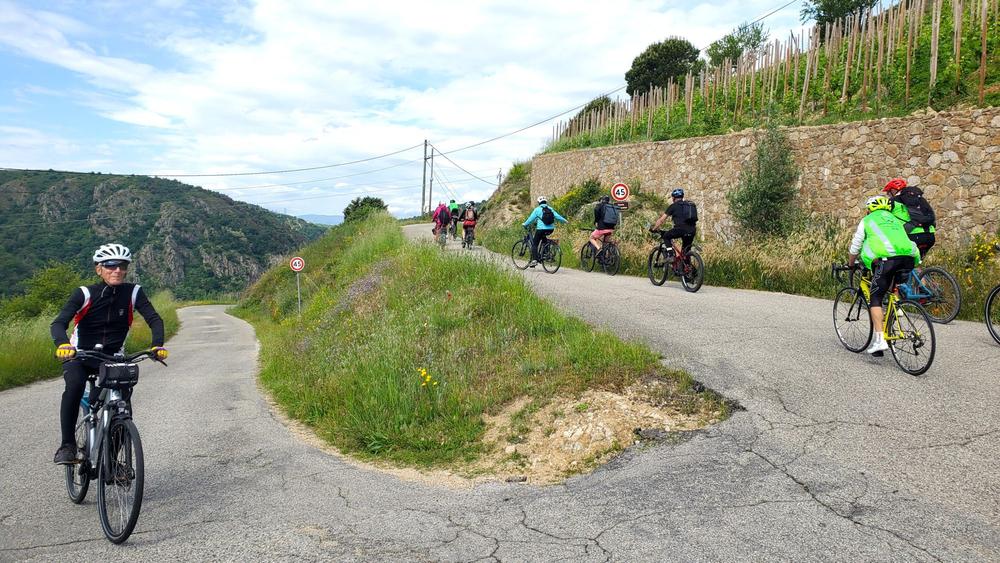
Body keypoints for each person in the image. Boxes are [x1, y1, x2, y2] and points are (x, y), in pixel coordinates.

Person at [50, 243, 168, 464]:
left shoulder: (134, 292)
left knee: (124, 408)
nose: (117, 270)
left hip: (113, 358)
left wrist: (157, 345)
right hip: (80, 356)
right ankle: (67, 446)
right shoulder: (84, 293)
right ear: (99, 269)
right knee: (74, 385)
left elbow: (154, 319)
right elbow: (58, 323)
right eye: (110, 265)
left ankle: (112, 462)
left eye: (122, 265)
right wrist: (64, 344)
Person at [848, 195, 921, 354]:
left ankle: (880, 340)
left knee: (876, 298)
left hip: (887, 260)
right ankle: (897, 306)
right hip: (909, 258)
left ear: (869, 209)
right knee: (891, 283)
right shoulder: (894, 219)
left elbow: (856, 244)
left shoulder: (867, 220)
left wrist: (851, 263)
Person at [882, 178, 936, 259]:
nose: (888, 195)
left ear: (893, 190)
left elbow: (883, 217)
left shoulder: (893, 201)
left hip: (912, 236)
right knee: (916, 262)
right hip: (930, 235)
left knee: (897, 259)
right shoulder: (920, 199)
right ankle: (926, 272)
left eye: (889, 192)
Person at [649, 188, 698, 268]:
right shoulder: (689, 205)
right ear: (682, 197)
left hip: (680, 229)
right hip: (692, 230)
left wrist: (654, 228)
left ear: (673, 198)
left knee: (666, 236)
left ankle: (670, 255)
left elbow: (661, 220)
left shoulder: (673, 206)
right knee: (685, 251)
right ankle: (687, 271)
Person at [522, 196, 567, 267]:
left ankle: (535, 260)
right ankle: (546, 253)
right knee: (544, 239)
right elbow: (557, 216)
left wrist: (525, 224)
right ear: (546, 202)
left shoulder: (537, 210)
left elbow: (530, 219)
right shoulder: (550, 209)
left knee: (534, 244)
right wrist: (565, 221)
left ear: (538, 202)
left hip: (541, 229)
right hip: (551, 229)